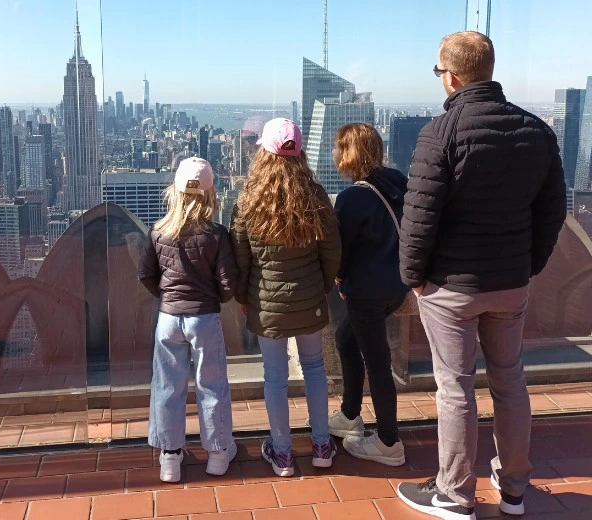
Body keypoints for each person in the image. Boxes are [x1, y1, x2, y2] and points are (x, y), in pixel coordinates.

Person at [395, 32, 566, 520]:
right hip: (510, 282)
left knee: (455, 387)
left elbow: (419, 216)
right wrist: (528, 265)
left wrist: (414, 277)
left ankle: (454, 494)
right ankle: (513, 490)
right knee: (510, 381)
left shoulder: (441, 132)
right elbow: (554, 210)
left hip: (451, 286)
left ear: (449, 76)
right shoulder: (536, 131)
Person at [230, 117, 341, 477]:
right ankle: (322, 445)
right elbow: (332, 251)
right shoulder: (315, 195)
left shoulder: (248, 200)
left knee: (275, 377)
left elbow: (240, 258)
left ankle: (282, 453)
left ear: (263, 151)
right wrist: (320, 285)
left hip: (265, 302)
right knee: (314, 369)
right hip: (309, 297)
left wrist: (244, 296)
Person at [138, 156, 239, 483]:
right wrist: (212, 299)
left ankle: (170, 457)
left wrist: (168, 297)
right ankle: (219, 454)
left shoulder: (158, 231)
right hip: (204, 317)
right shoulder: (217, 234)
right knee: (212, 384)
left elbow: (145, 274)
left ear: (176, 192)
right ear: (210, 195)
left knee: (168, 386)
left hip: (169, 317)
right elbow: (228, 284)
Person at [329, 122, 409, 466]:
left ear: (348, 153)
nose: (333, 153)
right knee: (346, 339)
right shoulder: (398, 181)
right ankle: (350, 414)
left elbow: (339, 252)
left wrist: (340, 278)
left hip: (366, 292)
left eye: (338, 147)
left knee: (377, 364)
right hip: (397, 286)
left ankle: (389, 442)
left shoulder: (352, 198)